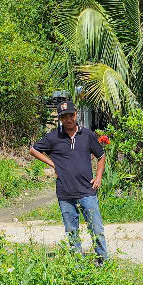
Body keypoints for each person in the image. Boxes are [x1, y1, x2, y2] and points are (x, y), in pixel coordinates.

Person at [30, 100, 109, 262]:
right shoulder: (53, 137)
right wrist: (53, 164)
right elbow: (33, 149)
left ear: (76, 114)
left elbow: (101, 156)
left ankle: (103, 261)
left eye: (71, 115)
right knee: (72, 231)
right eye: (64, 117)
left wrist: (99, 177)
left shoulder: (87, 135)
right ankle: (77, 264)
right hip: (65, 193)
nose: (68, 119)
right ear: (60, 118)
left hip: (87, 191)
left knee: (96, 229)